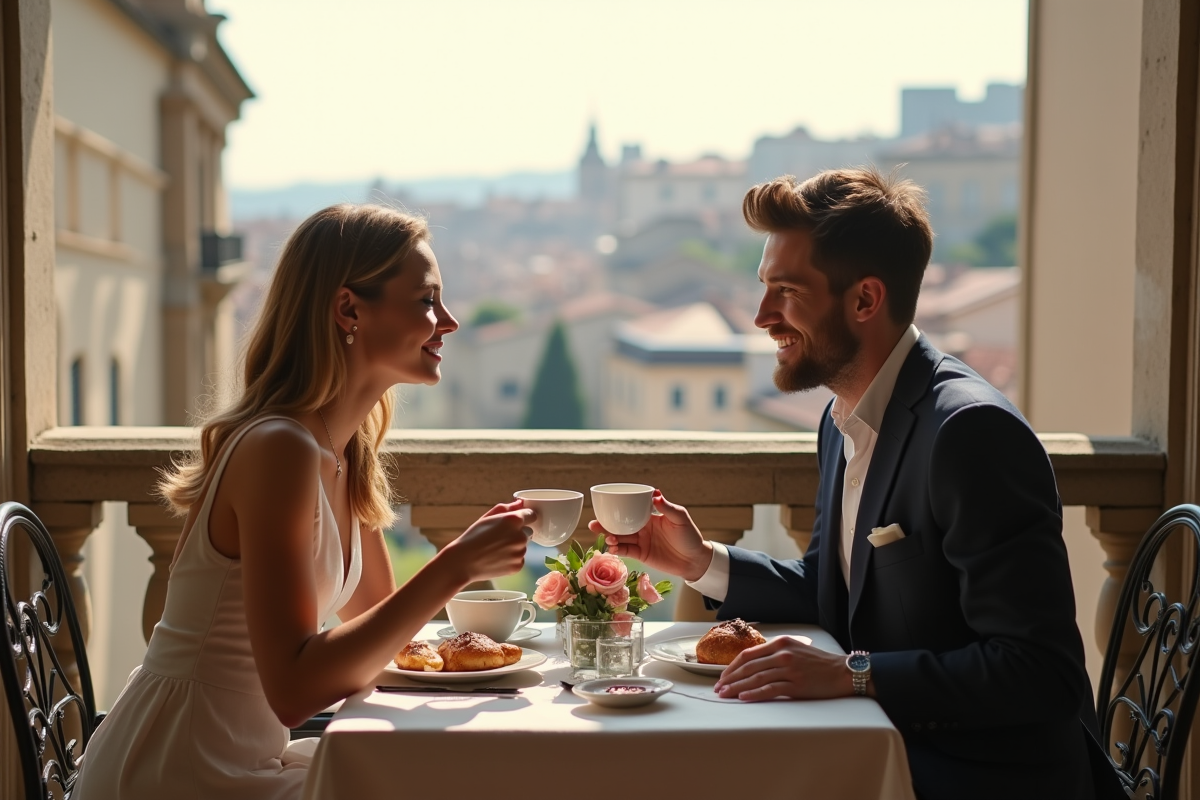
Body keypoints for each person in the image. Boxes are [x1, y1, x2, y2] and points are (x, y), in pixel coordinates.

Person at [593, 169, 1123, 800]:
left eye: (785, 291)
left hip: (981, 775)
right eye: (764, 288)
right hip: (885, 747)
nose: (762, 316)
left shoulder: (970, 434)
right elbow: (835, 591)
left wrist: (854, 674)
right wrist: (702, 562)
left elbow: (1041, 673)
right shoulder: (842, 416)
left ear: (865, 300)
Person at [73, 205, 535, 799]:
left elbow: (380, 633)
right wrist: (456, 566)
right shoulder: (279, 449)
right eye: (426, 300)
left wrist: (490, 649)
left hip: (236, 761)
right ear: (348, 309)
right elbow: (293, 689)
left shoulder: (345, 452)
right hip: (178, 770)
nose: (448, 321)